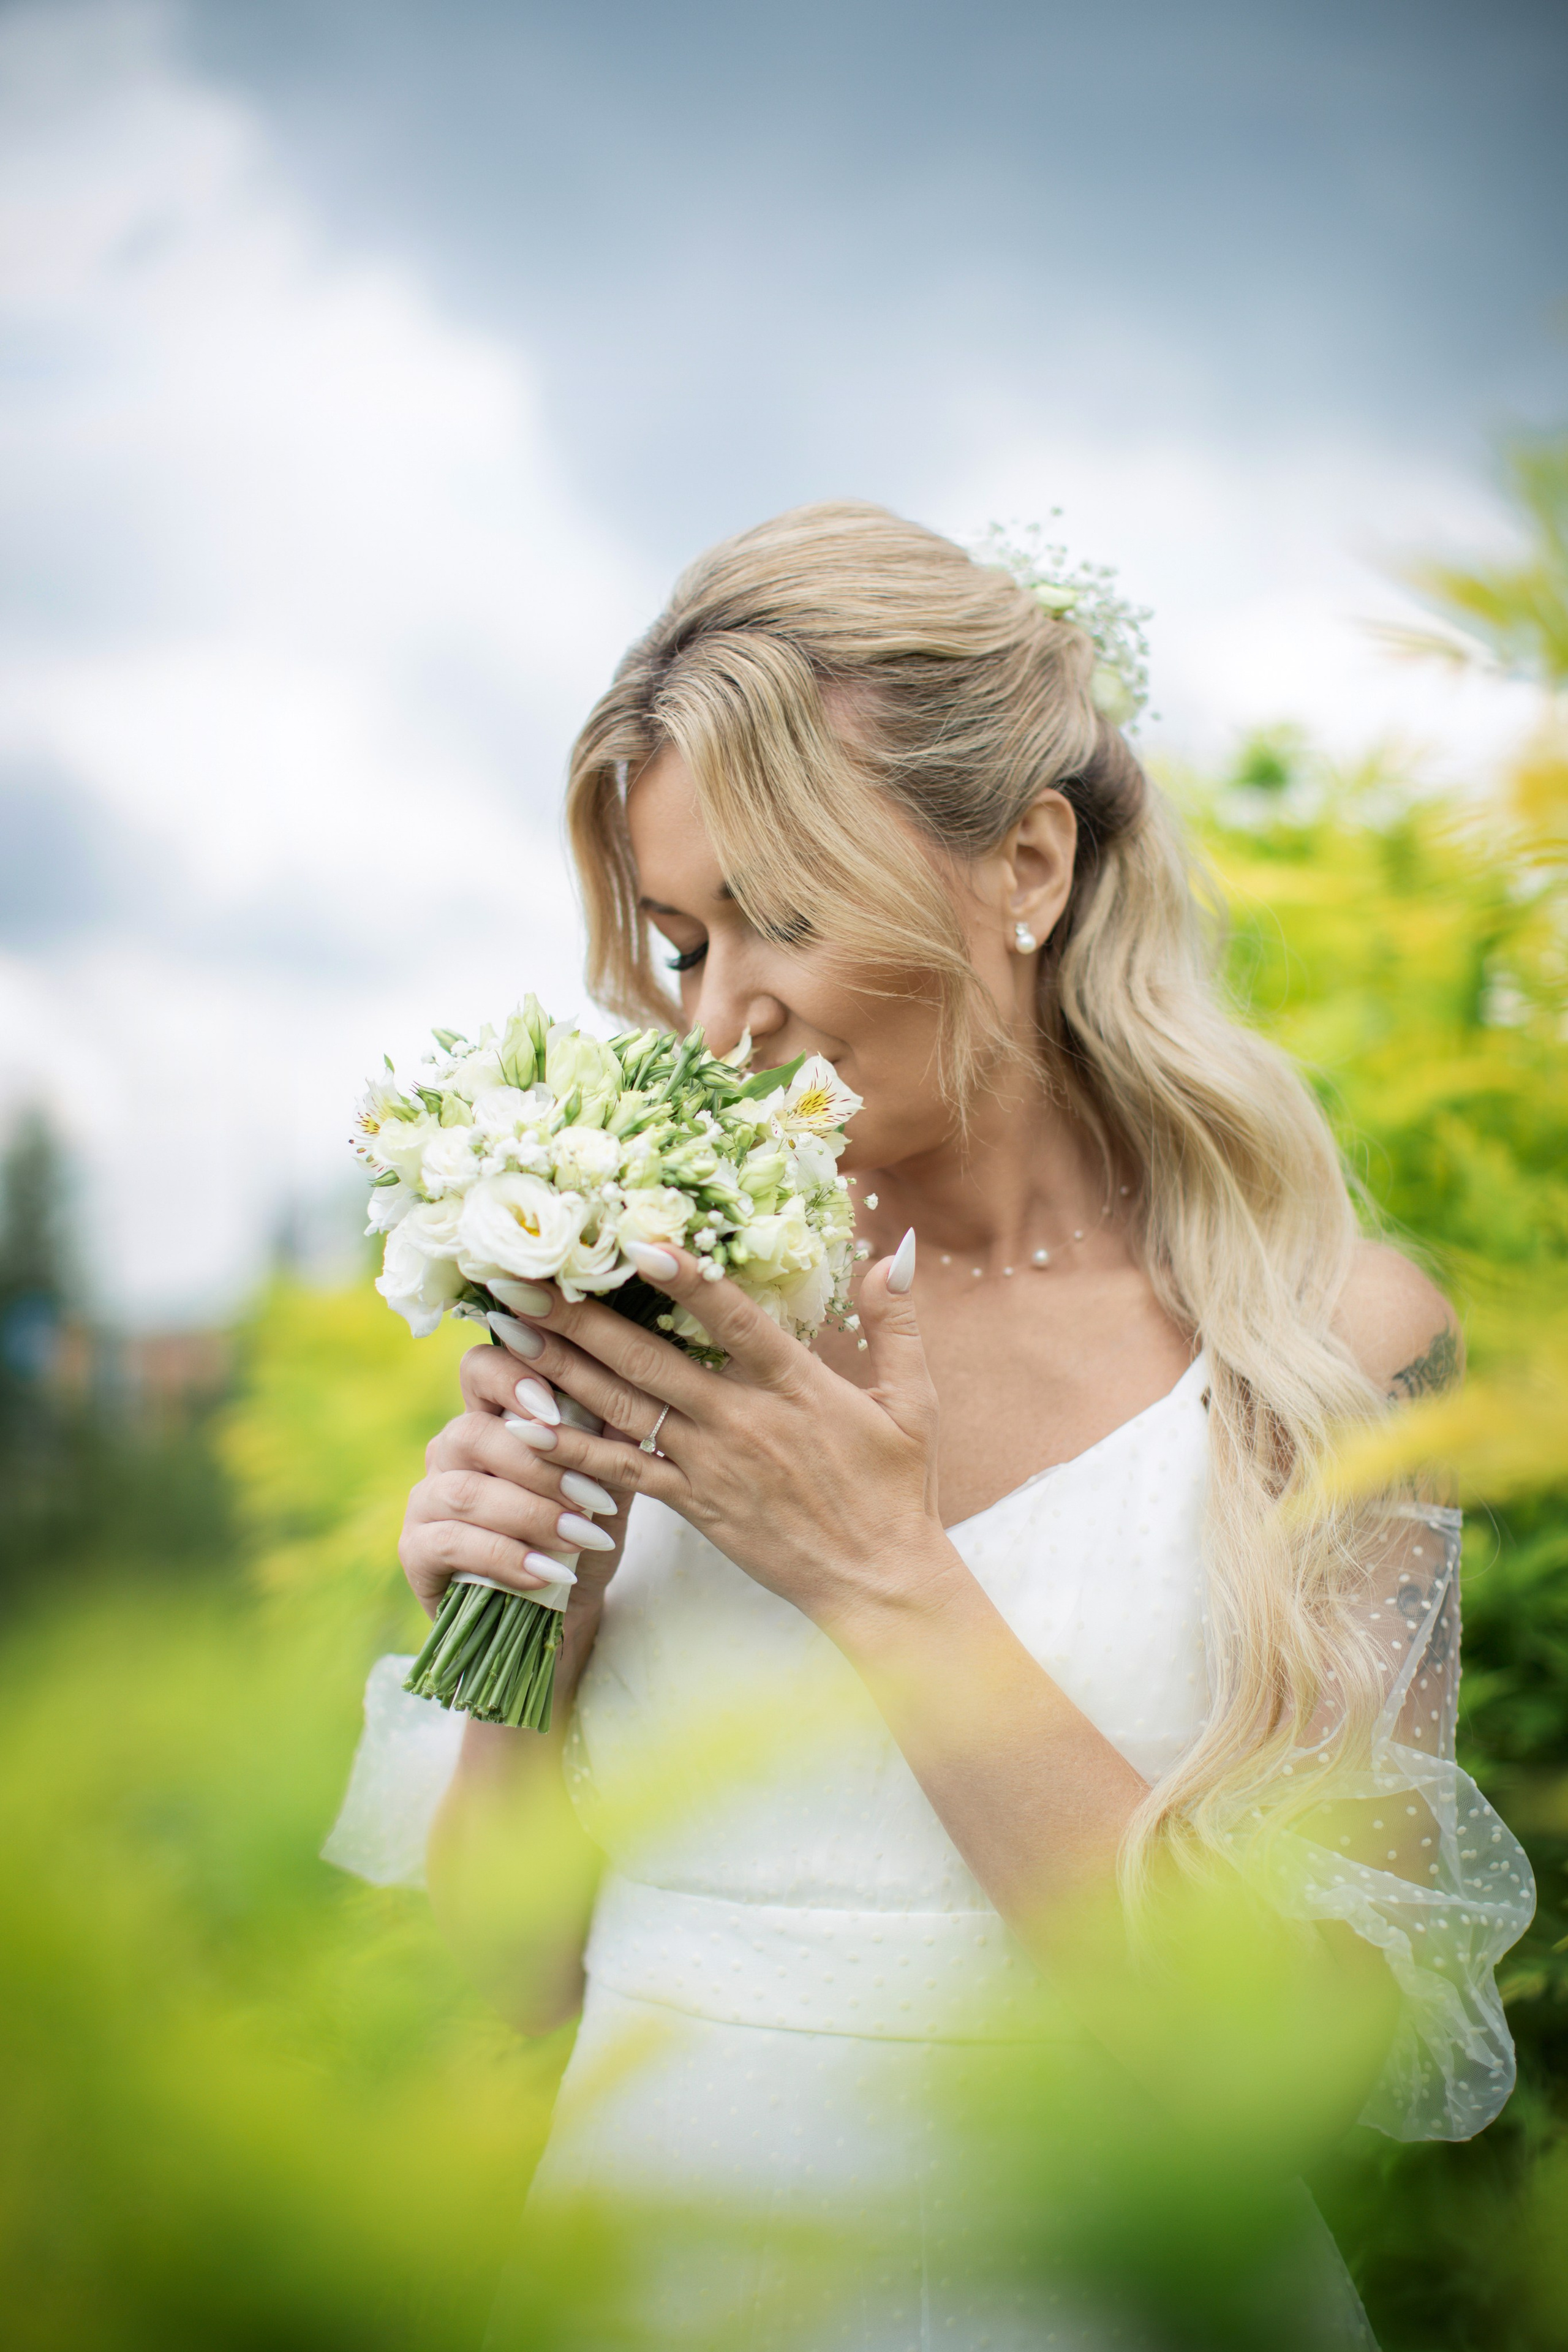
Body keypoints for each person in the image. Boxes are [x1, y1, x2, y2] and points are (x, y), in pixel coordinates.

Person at [328, 503, 1532, 2350]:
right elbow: (508, 1982)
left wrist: (885, 1576)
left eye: (785, 919)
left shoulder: (1329, 1351)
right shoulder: (648, 1301)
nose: (722, 1021)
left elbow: (1288, 2068)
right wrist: (528, 1646)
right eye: (676, 943)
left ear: (1028, 865)